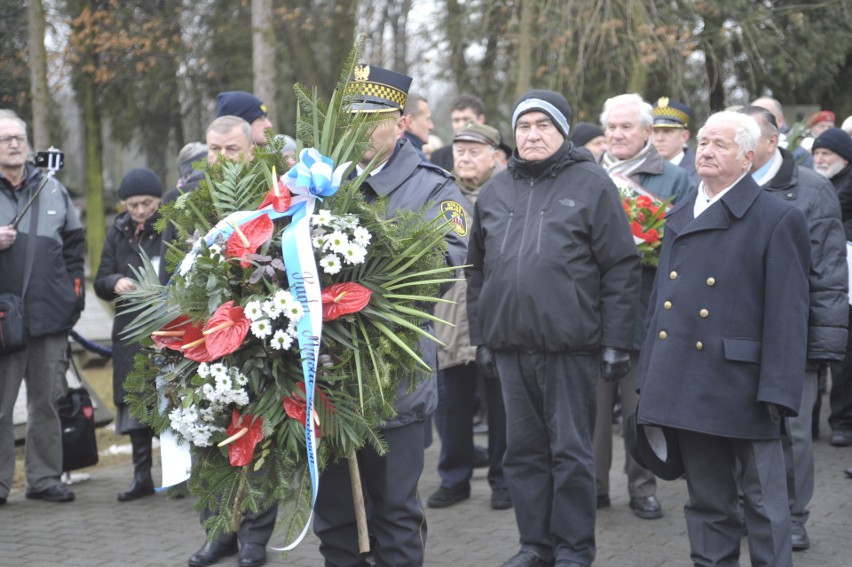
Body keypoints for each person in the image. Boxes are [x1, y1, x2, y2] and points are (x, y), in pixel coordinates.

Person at [467, 89, 640, 567]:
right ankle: (535, 546)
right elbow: (476, 270)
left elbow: (621, 267)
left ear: (563, 130)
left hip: (571, 347)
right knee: (522, 456)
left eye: (544, 125)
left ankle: (573, 551)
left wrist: (616, 342)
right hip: (509, 346)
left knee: (571, 455)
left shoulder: (591, 183)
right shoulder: (496, 189)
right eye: (524, 126)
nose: (533, 134)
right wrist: (481, 336)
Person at [635, 111, 810, 567]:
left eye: (721, 144)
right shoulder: (681, 211)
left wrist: (778, 391)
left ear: (749, 157)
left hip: (746, 388)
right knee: (708, 504)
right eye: (705, 142)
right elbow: (660, 307)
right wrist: (651, 378)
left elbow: (788, 314)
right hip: (688, 384)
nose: (707, 151)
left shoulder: (776, 217)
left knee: (765, 508)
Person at [312, 63, 470, 567]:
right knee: (335, 520)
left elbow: (446, 262)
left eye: (370, 119)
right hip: (326, 385)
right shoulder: (318, 181)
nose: (356, 131)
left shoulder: (434, 188)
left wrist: (363, 279)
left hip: (391, 382)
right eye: (349, 120)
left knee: (395, 517)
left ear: (401, 123)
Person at [739, 105, 848, 551]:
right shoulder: (724, 183)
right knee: (742, 426)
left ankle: (794, 515)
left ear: (772, 139)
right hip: (737, 333)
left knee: (794, 430)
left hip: (792, 333)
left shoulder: (813, 189)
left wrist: (824, 340)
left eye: (748, 138)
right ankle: (750, 508)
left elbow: (827, 270)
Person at [596, 93, 692, 521]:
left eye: (626, 127)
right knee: (591, 412)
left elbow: (686, 242)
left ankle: (642, 486)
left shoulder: (674, 179)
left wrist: (649, 245)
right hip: (591, 314)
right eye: (611, 127)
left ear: (648, 133)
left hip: (646, 310)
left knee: (639, 410)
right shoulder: (585, 173)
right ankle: (594, 486)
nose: (617, 135)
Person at [187, 115, 272, 567]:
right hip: (202, 336)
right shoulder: (190, 200)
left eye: (231, 150)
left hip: (255, 335)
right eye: (214, 150)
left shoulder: (268, 199)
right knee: (208, 438)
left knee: (255, 436)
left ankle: (255, 536)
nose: (221, 159)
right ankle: (218, 530)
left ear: (251, 150)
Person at [0, 110, 85, 505]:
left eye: (19, 137)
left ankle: (44, 479)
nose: (14, 144)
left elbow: (74, 246)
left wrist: (73, 296)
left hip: (49, 317)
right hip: (4, 320)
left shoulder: (52, 188)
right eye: (5, 139)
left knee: (46, 403)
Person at [427, 121, 510, 511]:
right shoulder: (440, 195)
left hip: (496, 318)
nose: (465, 156)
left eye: (475, 150)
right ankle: (454, 478)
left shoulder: (509, 193)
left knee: (502, 406)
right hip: (448, 319)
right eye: (460, 149)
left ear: (496, 156)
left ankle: (503, 480)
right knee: (452, 405)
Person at [94, 168, 164, 502]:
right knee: (135, 408)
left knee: (169, 405)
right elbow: (100, 279)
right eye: (133, 204)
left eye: (146, 203)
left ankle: (181, 477)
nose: (139, 211)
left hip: (164, 328)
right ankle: (141, 478)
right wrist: (114, 283)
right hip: (128, 332)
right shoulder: (118, 231)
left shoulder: (169, 227)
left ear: (158, 200)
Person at [810, 128, 852, 448]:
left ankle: (842, 421)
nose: (820, 159)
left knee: (842, 357)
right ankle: (808, 421)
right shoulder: (809, 185)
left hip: (843, 282)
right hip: (813, 278)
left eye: (828, 154)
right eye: (817, 154)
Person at [752, 96, 814, 168]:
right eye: (751, 116)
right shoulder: (739, 150)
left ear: (780, 121)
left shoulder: (799, 155)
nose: (756, 122)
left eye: (765, 116)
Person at [430, 93, 487, 171]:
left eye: (466, 119)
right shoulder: (438, 158)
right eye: (456, 120)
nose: (461, 125)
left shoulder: (495, 153)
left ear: (480, 120)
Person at [650, 97, 699, 184]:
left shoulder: (699, 171)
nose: (659, 138)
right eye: (655, 131)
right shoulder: (643, 168)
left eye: (667, 131)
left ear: (684, 136)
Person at [402, 92, 434, 160]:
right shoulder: (416, 160)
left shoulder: (388, 153)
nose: (431, 126)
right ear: (410, 122)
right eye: (427, 119)